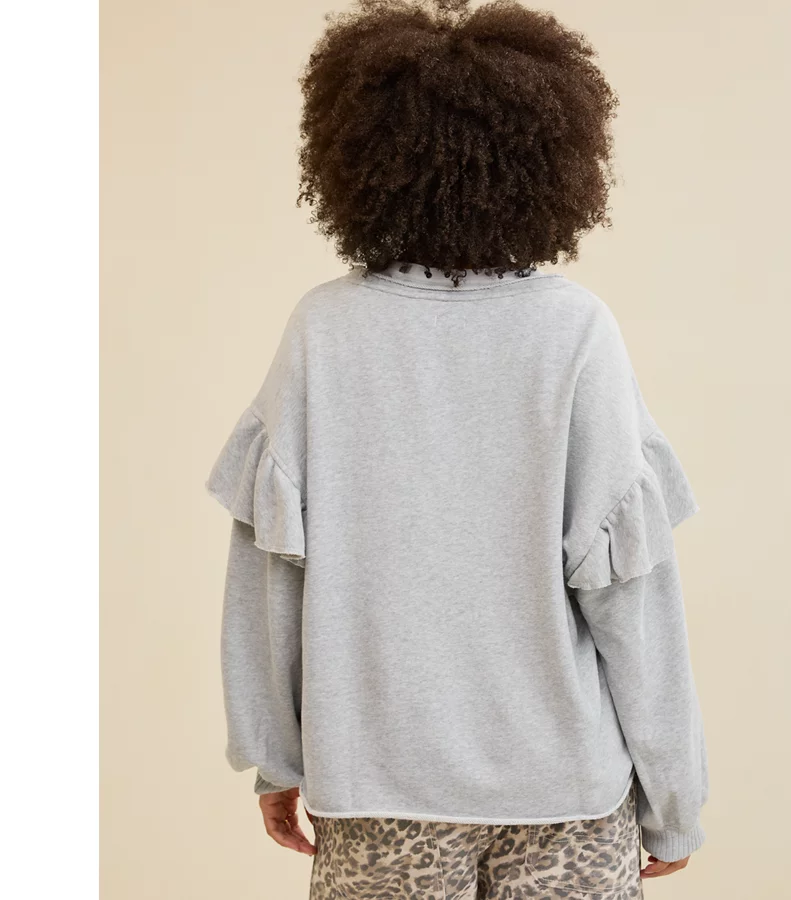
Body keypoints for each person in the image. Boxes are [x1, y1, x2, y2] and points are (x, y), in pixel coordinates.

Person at [205, 0, 709, 896]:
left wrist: (274, 757)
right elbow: (632, 593)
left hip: (377, 794)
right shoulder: (575, 332)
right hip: (567, 793)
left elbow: (269, 574)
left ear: (358, 158)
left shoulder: (325, 331)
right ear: (553, 161)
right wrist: (677, 797)